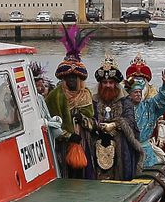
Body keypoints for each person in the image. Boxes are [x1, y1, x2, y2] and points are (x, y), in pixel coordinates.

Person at [45, 26, 96, 179]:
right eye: (69, 78)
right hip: (63, 145)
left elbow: (94, 121)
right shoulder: (55, 96)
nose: (72, 80)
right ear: (64, 79)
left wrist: (84, 121)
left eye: (75, 78)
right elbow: (50, 123)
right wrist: (68, 136)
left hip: (84, 142)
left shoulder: (86, 95)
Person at [89, 55, 143, 181]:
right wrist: (98, 125)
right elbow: (90, 117)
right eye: (104, 82)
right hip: (97, 138)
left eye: (111, 83)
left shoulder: (125, 101)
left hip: (120, 140)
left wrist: (115, 124)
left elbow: (130, 120)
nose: (108, 85)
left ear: (116, 84)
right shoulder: (94, 100)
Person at [125, 55, 165, 169]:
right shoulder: (123, 107)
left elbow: (163, 101)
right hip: (127, 151)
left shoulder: (149, 106)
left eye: (139, 92)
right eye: (135, 92)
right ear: (129, 94)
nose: (138, 94)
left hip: (146, 152)